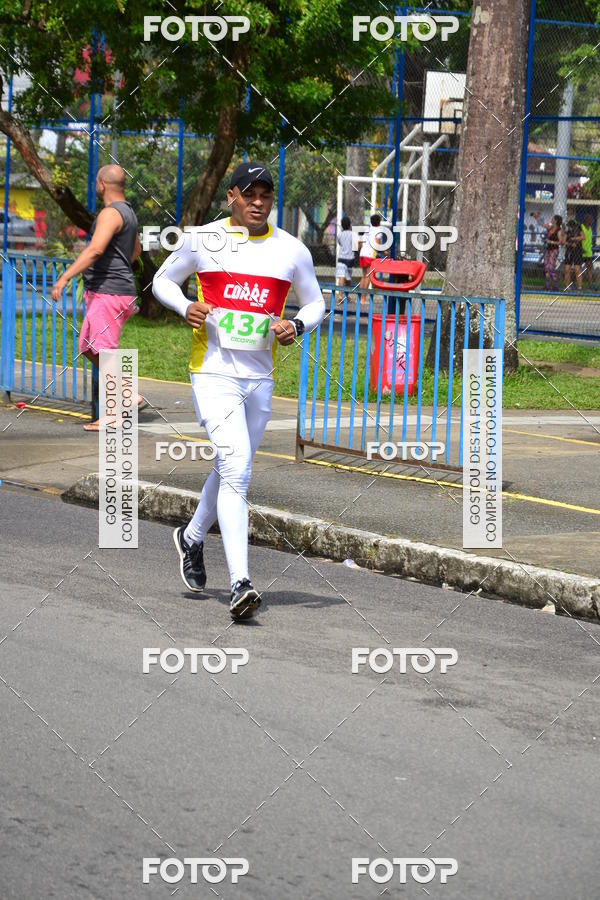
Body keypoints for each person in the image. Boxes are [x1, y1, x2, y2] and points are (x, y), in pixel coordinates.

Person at [152, 162, 325, 620]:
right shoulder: (203, 240)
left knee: (233, 466)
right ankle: (241, 583)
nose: (258, 202)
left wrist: (296, 325)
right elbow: (162, 280)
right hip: (212, 372)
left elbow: (316, 301)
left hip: (259, 378)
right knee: (236, 467)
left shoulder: (291, 250)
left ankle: (191, 537)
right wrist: (186, 304)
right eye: (250, 193)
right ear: (232, 196)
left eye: (266, 195)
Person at [51, 164, 143, 430]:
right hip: (113, 290)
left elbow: (95, 250)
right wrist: (118, 266)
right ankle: (124, 396)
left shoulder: (110, 214)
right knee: (90, 348)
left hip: (110, 293)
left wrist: (65, 277)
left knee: (104, 349)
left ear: (101, 184)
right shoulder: (129, 213)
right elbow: (135, 250)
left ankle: (119, 407)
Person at [533, 211, 563, 291]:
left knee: (551, 267)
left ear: (556, 220)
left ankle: (556, 286)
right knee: (546, 267)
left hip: (554, 250)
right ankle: (547, 285)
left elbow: (561, 242)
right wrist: (537, 218)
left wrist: (551, 242)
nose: (552, 219)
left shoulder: (559, 230)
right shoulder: (550, 227)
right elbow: (542, 224)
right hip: (548, 249)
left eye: (553, 219)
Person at [358, 213, 384, 291]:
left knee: (364, 275)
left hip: (362, 253)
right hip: (369, 255)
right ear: (379, 222)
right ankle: (363, 298)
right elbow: (377, 245)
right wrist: (384, 251)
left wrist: (361, 251)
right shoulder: (378, 231)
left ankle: (360, 298)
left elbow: (360, 243)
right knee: (369, 276)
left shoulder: (367, 229)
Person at [335, 215, 354, 299]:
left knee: (341, 276)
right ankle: (347, 294)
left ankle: (340, 295)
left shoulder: (340, 235)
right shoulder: (353, 234)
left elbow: (340, 243)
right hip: (350, 258)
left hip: (341, 258)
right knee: (348, 278)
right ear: (350, 225)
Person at [564, 217, 583, 292]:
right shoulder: (567, 232)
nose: (569, 228)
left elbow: (583, 237)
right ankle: (567, 287)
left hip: (577, 251)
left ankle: (580, 287)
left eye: (571, 227)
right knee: (567, 269)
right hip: (569, 251)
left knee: (577, 269)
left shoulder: (579, 230)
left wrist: (574, 239)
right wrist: (570, 243)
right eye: (569, 227)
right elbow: (563, 241)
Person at [581, 213, 594, 287]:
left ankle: (590, 284)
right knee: (578, 269)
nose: (592, 221)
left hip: (588, 252)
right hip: (581, 252)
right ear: (587, 220)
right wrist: (581, 248)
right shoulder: (581, 227)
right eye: (590, 219)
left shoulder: (590, 228)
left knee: (589, 268)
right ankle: (577, 284)